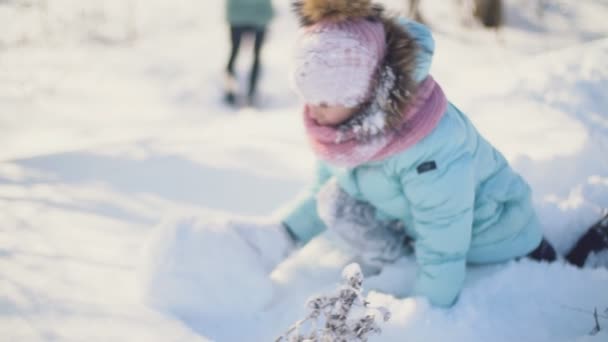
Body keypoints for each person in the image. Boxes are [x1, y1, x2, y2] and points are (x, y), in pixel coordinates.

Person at [174, 0, 608, 310]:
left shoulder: (428, 145)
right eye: (309, 97)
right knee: (336, 202)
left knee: (544, 266)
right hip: (420, 226)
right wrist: (283, 236)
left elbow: (446, 233)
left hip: (493, 238)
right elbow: (326, 186)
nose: (315, 110)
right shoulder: (344, 128)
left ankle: (578, 256)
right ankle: (397, 263)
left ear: (364, 91)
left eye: (328, 99)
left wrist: (429, 313)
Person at [224, 0, 274, 106]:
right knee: (256, 55)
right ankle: (252, 92)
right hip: (259, 14)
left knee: (234, 53)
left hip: (237, 14)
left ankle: (230, 90)